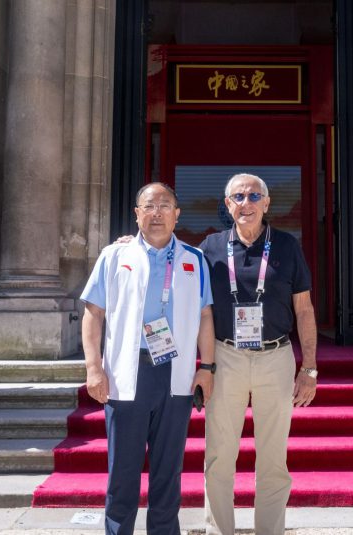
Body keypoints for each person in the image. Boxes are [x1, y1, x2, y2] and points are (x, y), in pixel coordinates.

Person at [80, 182, 217, 535]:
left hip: (177, 375)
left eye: (165, 205)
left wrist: (207, 367)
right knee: (123, 473)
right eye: (149, 206)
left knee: (167, 473)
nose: (157, 212)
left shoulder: (194, 259)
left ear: (177, 214)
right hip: (128, 374)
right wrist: (94, 368)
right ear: (137, 214)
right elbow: (93, 313)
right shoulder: (114, 256)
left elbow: (204, 316)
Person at [199, 173, 318, 535]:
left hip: (275, 356)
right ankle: (220, 530)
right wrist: (131, 243)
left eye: (254, 196)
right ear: (227, 204)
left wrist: (309, 369)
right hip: (227, 355)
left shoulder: (286, 246)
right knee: (219, 455)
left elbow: (304, 310)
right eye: (238, 196)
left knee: (272, 458)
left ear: (266, 204)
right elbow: (176, 270)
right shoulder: (211, 247)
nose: (246, 203)